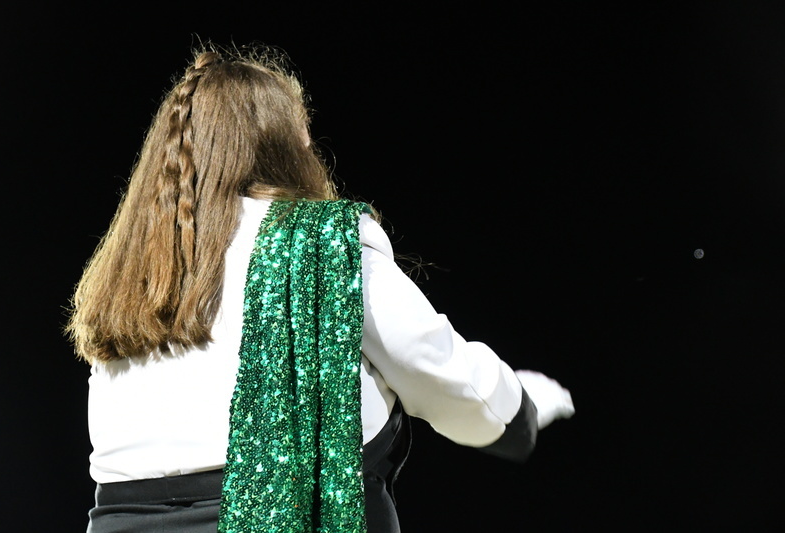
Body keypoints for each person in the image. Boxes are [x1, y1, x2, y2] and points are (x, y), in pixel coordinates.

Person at [66, 43, 575, 533]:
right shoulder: (320, 239)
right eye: (303, 131)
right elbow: (435, 366)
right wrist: (520, 409)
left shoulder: (131, 268)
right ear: (282, 144)